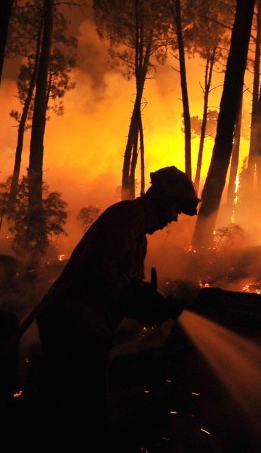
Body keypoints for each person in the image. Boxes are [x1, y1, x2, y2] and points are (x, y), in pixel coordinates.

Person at [35, 166, 199, 424]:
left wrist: (149, 304)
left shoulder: (136, 230)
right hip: (74, 320)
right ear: (163, 201)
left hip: (83, 320)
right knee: (81, 407)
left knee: (76, 403)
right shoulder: (128, 216)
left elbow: (121, 285)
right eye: (176, 209)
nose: (175, 218)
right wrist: (141, 297)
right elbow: (103, 271)